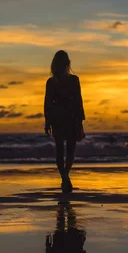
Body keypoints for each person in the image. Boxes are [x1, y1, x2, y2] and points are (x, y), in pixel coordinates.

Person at [44, 50, 85, 193]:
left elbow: (47, 104)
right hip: (71, 119)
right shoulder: (73, 80)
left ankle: (64, 177)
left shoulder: (52, 82)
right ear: (67, 63)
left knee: (60, 151)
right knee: (70, 151)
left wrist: (47, 121)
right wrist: (80, 122)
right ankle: (66, 176)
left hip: (58, 119)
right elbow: (78, 102)